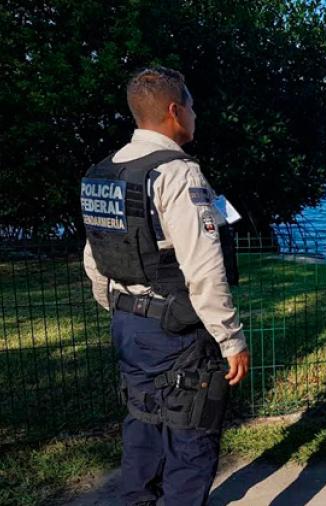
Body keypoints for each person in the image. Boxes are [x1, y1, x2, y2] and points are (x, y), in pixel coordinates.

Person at [81, 66, 250, 506]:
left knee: (142, 427)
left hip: (128, 326)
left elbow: (95, 256)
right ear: (175, 111)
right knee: (190, 442)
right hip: (177, 331)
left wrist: (119, 307)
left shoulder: (106, 172)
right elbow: (204, 268)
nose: (195, 114)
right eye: (191, 106)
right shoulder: (177, 174)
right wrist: (230, 340)